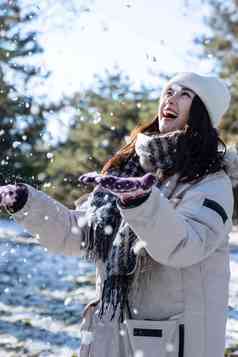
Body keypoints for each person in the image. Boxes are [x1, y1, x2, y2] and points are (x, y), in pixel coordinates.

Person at [0, 72, 237, 357]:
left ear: (202, 112)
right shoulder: (131, 167)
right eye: (169, 91)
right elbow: (79, 235)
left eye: (185, 94)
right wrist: (27, 202)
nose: (170, 98)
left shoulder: (211, 182)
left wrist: (140, 202)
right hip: (110, 336)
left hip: (174, 344)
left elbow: (184, 246)